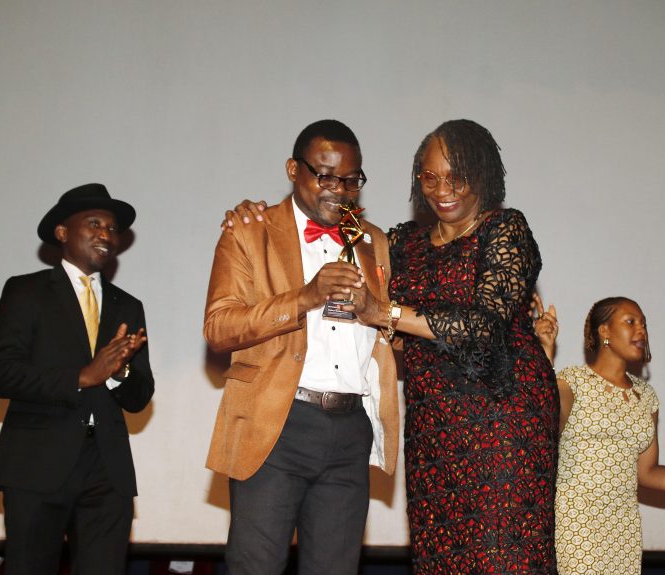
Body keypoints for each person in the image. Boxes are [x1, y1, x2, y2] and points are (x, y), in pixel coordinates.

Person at [223, 119, 559, 574]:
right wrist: (252, 213)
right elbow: (374, 330)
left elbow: (482, 327)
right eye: (430, 177)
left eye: (457, 177)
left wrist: (383, 313)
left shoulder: (504, 229)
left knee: (502, 554)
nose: (443, 190)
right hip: (434, 426)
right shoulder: (399, 243)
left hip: (502, 421)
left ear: (482, 175)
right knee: (442, 554)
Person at [203, 120, 399, 575]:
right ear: (294, 169)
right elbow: (219, 327)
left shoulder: (373, 241)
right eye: (325, 176)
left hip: (350, 430)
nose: (339, 190)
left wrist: (379, 314)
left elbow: (388, 331)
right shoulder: (249, 231)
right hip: (276, 425)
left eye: (351, 179)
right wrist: (305, 298)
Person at [0, 183, 154, 574]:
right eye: (94, 223)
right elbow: (1, 374)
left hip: (106, 469)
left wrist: (119, 373)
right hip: (36, 462)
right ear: (62, 232)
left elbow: (140, 396)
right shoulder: (25, 291)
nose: (106, 234)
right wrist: (81, 377)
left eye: (112, 228)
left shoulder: (128, 305)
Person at [550, 297, 665, 575]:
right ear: (604, 331)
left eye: (644, 324)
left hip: (623, 526)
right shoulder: (571, 382)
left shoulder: (646, 396)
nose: (641, 331)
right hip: (576, 520)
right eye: (631, 322)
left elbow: (649, 473)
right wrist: (545, 354)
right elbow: (544, 424)